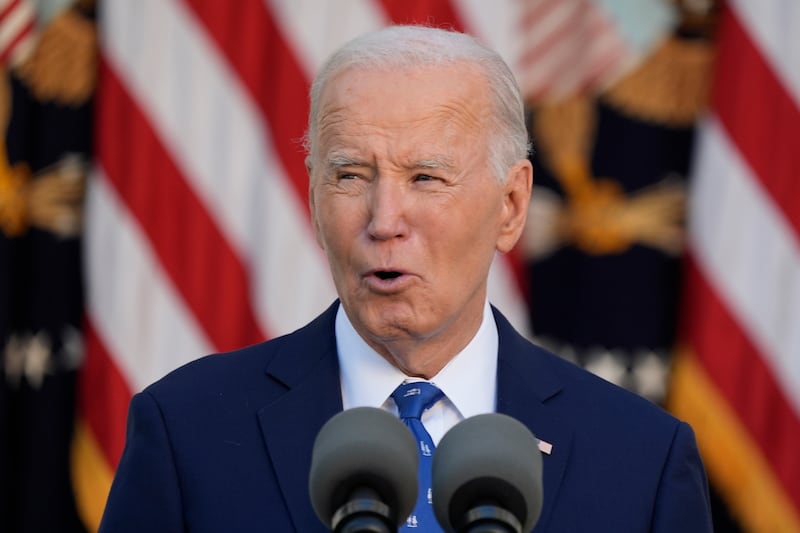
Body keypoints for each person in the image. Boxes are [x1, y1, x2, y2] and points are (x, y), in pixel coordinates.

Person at [98, 25, 712, 532]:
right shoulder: (187, 431)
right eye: (350, 176)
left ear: (511, 205)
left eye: (425, 177)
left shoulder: (641, 461)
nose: (384, 220)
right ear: (313, 200)